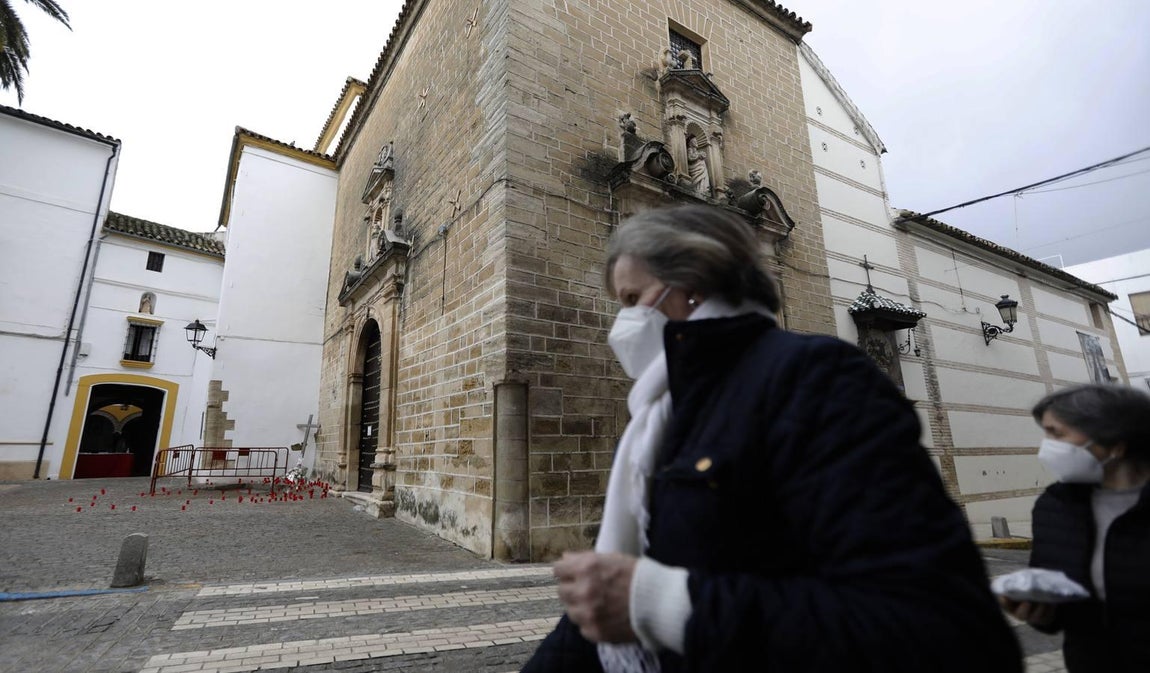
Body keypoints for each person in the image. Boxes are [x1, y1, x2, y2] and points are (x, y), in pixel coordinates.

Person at [522, 204, 1022, 672]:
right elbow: (629, 590)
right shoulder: (662, 415)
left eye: (632, 299)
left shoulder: (815, 380)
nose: (622, 322)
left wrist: (663, 604)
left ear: (692, 283)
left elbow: (948, 632)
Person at [1003, 384, 1150, 672]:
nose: (1046, 446)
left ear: (1115, 442)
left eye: (1056, 433)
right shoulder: (1055, 506)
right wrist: (1039, 611)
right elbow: (1058, 602)